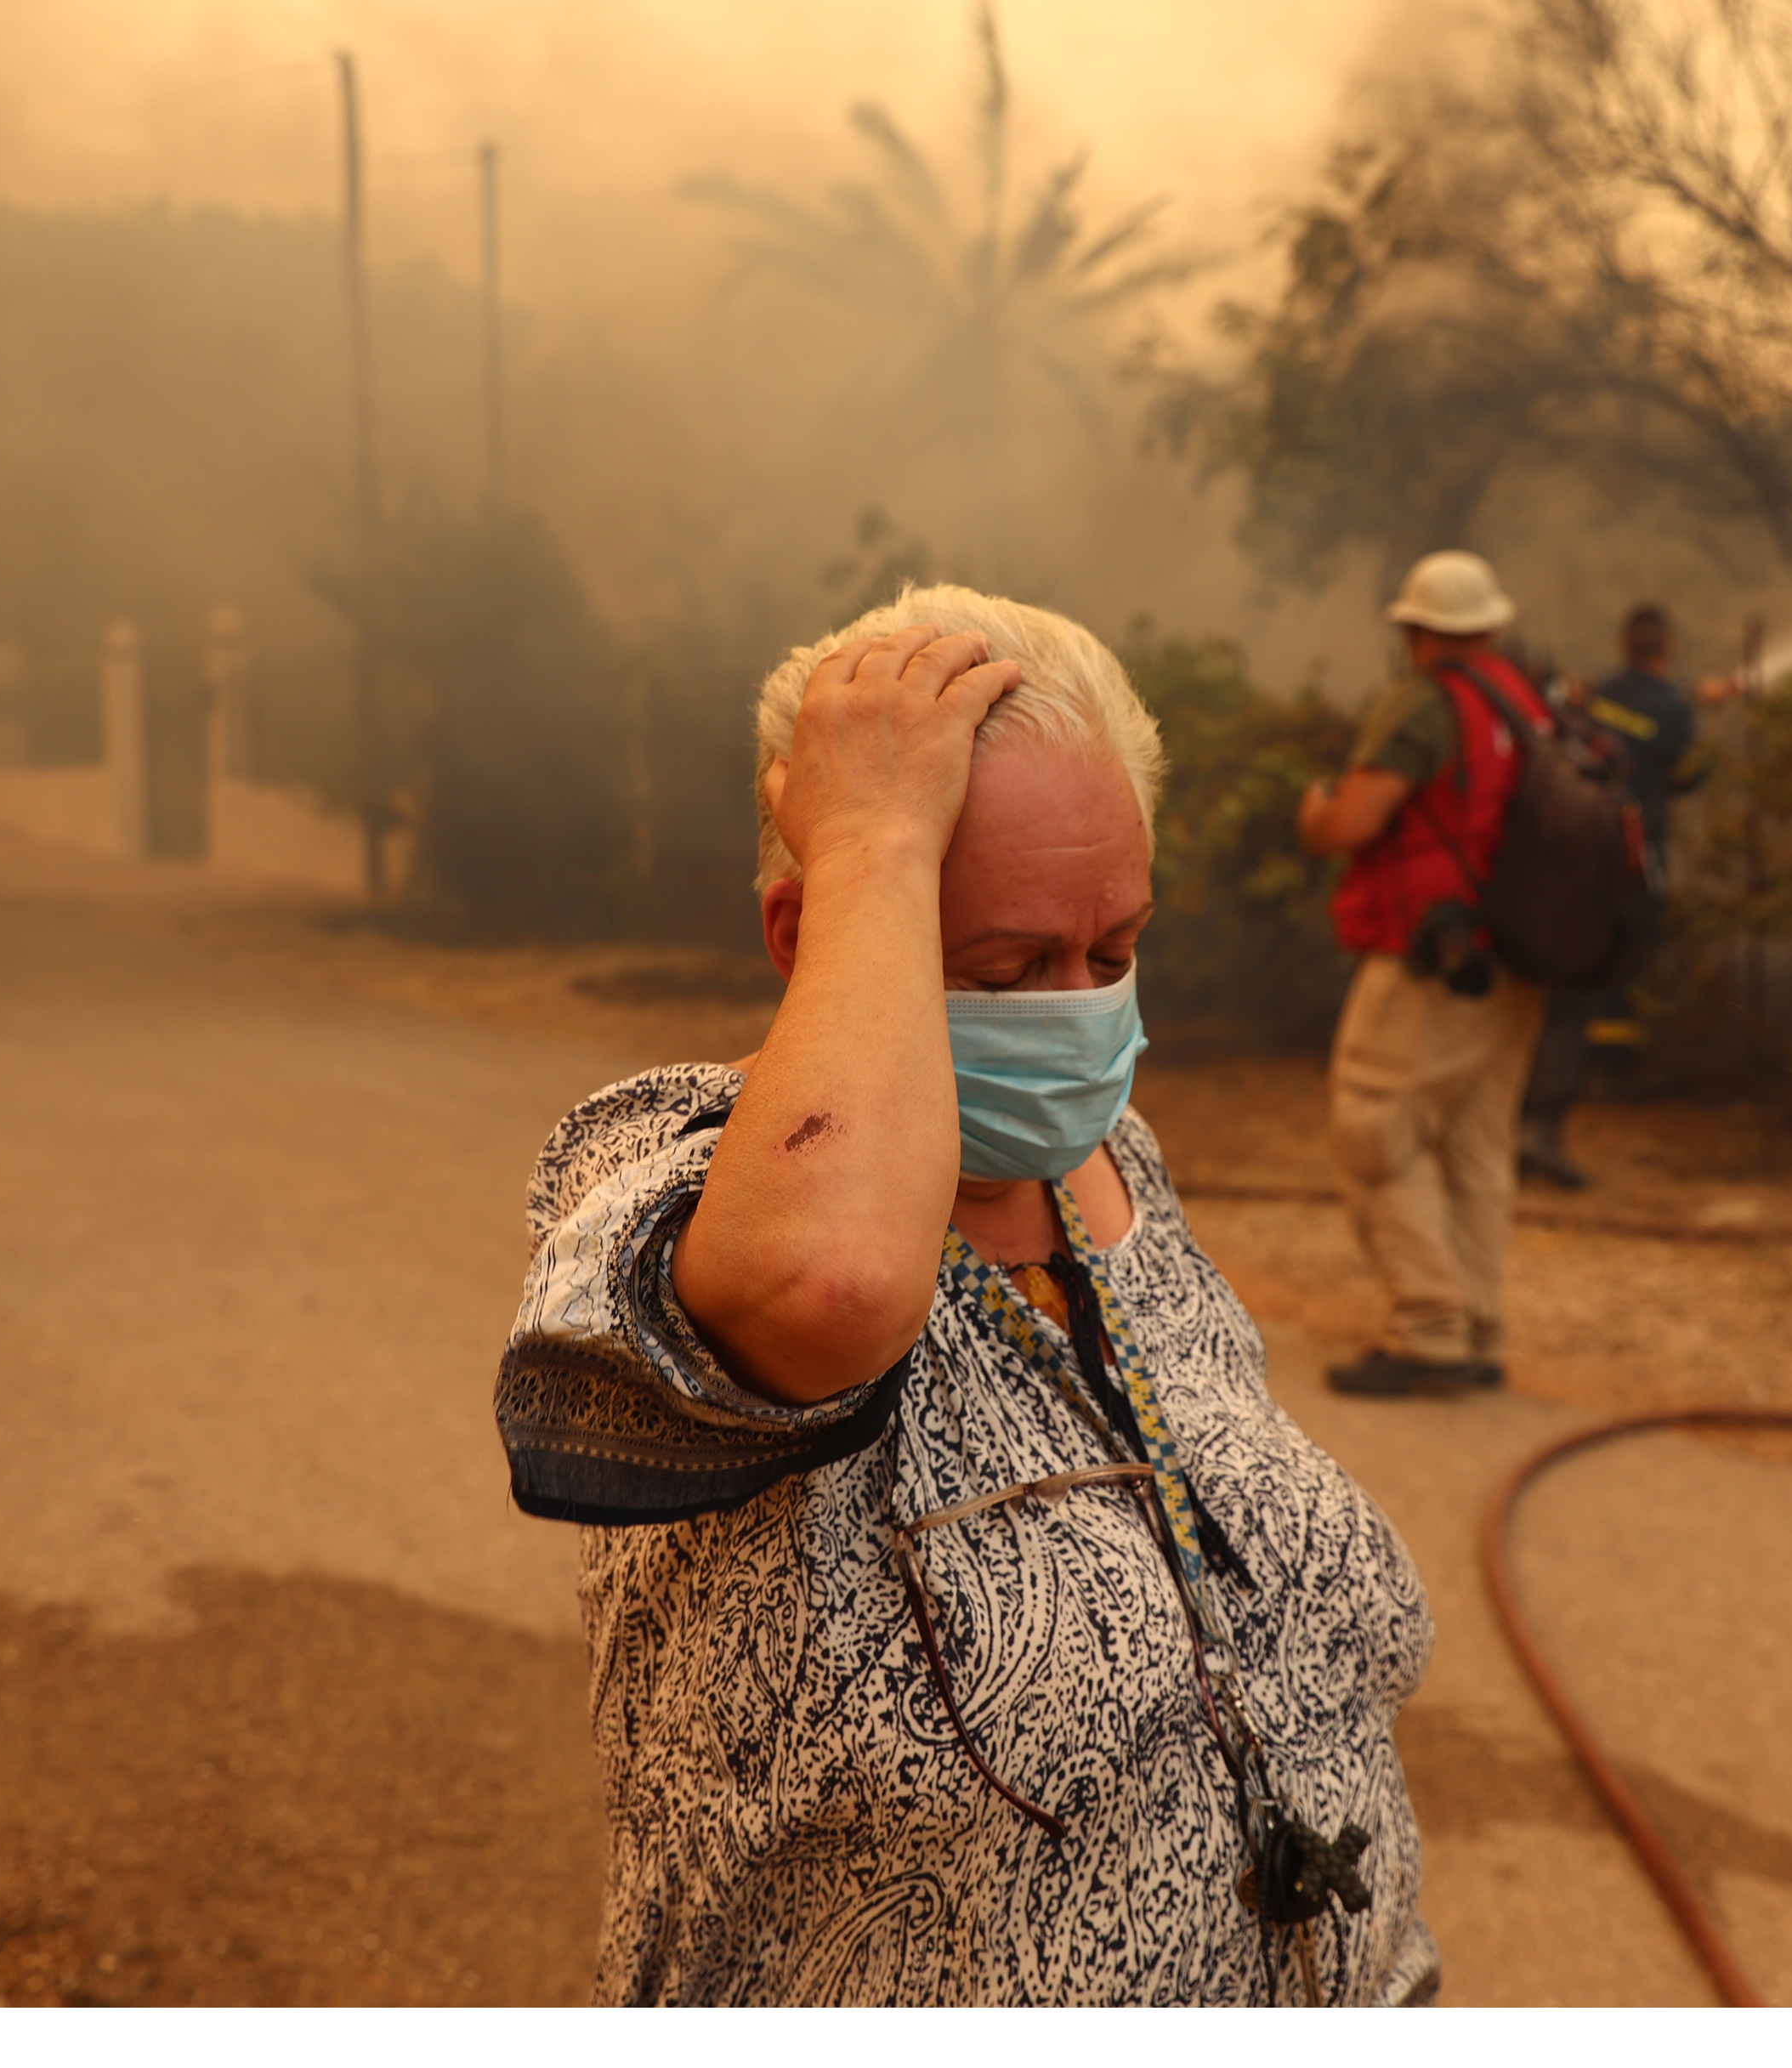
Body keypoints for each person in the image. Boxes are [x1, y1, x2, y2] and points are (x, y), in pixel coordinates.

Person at [493, 586, 1439, 2006]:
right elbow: (830, 1283)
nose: (1077, 1009)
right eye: (1006, 969)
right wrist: (874, 831)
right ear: (807, 931)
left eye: (1111, 952)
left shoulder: (1113, 1170)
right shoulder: (669, 1180)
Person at [1294, 551, 1554, 1397]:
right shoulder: (1525, 700)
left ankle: (1429, 1329)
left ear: (1415, 631)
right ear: (1491, 625)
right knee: (1478, 1145)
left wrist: (1317, 813)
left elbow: (1355, 821)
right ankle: (1478, 1324)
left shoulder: (1426, 704)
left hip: (1436, 960)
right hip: (1516, 958)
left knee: (1375, 1121)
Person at [1516, 603, 1707, 1189]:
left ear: (1626, 642)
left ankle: (1537, 1116)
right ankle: (1563, 1106)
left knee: (1553, 990)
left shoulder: (1589, 695)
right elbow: (1685, 767)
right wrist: (1694, 713)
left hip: (1560, 861)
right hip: (1625, 860)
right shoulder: (1673, 709)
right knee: (1599, 977)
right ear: (1666, 646)